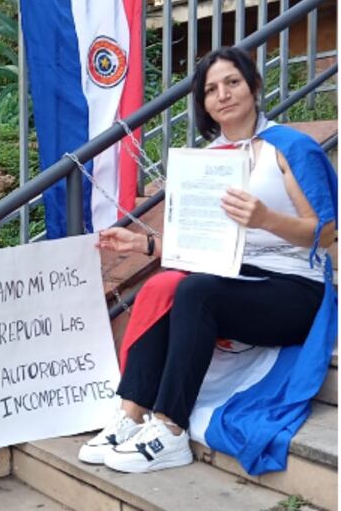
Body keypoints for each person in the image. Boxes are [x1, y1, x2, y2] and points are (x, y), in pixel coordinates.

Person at [77, 46, 337, 474]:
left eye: (232, 82)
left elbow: (325, 233)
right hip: (235, 278)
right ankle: (131, 415)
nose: (223, 95)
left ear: (254, 86)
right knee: (162, 285)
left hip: (294, 287)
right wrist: (141, 246)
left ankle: (172, 429)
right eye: (211, 90)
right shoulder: (207, 161)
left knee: (195, 289)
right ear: (204, 105)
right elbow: (195, 246)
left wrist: (267, 218)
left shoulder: (289, 147)